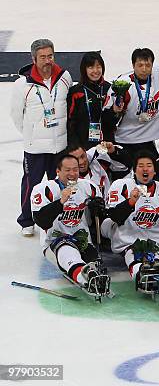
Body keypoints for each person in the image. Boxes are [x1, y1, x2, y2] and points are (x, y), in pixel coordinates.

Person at [11, 38, 73, 236]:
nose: (47, 61)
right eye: (43, 57)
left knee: (59, 184)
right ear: (34, 59)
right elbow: (16, 115)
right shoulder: (23, 84)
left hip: (60, 144)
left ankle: (56, 218)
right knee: (32, 184)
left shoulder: (65, 77)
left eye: (50, 56)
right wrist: (31, 134)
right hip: (35, 147)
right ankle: (27, 220)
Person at [30, 154, 108, 294]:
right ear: (58, 171)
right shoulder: (44, 189)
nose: (72, 174)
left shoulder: (88, 186)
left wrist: (97, 207)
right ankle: (84, 277)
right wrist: (60, 202)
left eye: (75, 169)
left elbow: (100, 217)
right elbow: (41, 220)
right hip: (54, 241)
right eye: (67, 170)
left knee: (95, 264)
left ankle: (89, 273)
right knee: (69, 253)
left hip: (82, 239)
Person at [105, 151, 159, 290]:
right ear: (134, 170)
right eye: (141, 166)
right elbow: (114, 217)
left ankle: (154, 276)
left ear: (154, 171)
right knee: (135, 259)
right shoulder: (121, 186)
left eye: (149, 166)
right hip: (127, 240)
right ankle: (140, 274)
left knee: (157, 266)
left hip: (153, 242)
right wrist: (130, 202)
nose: (145, 169)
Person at [103, 48, 159, 162]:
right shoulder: (122, 84)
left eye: (148, 65)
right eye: (140, 65)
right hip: (124, 141)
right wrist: (114, 111)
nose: (144, 69)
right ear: (133, 65)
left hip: (147, 141)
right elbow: (105, 118)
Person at [66, 52, 114, 150]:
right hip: (82, 147)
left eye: (98, 67)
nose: (95, 71)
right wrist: (76, 146)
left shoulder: (110, 89)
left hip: (106, 145)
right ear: (84, 69)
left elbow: (113, 120)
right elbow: (70, 122)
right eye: (91, 67)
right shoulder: (76, 91)